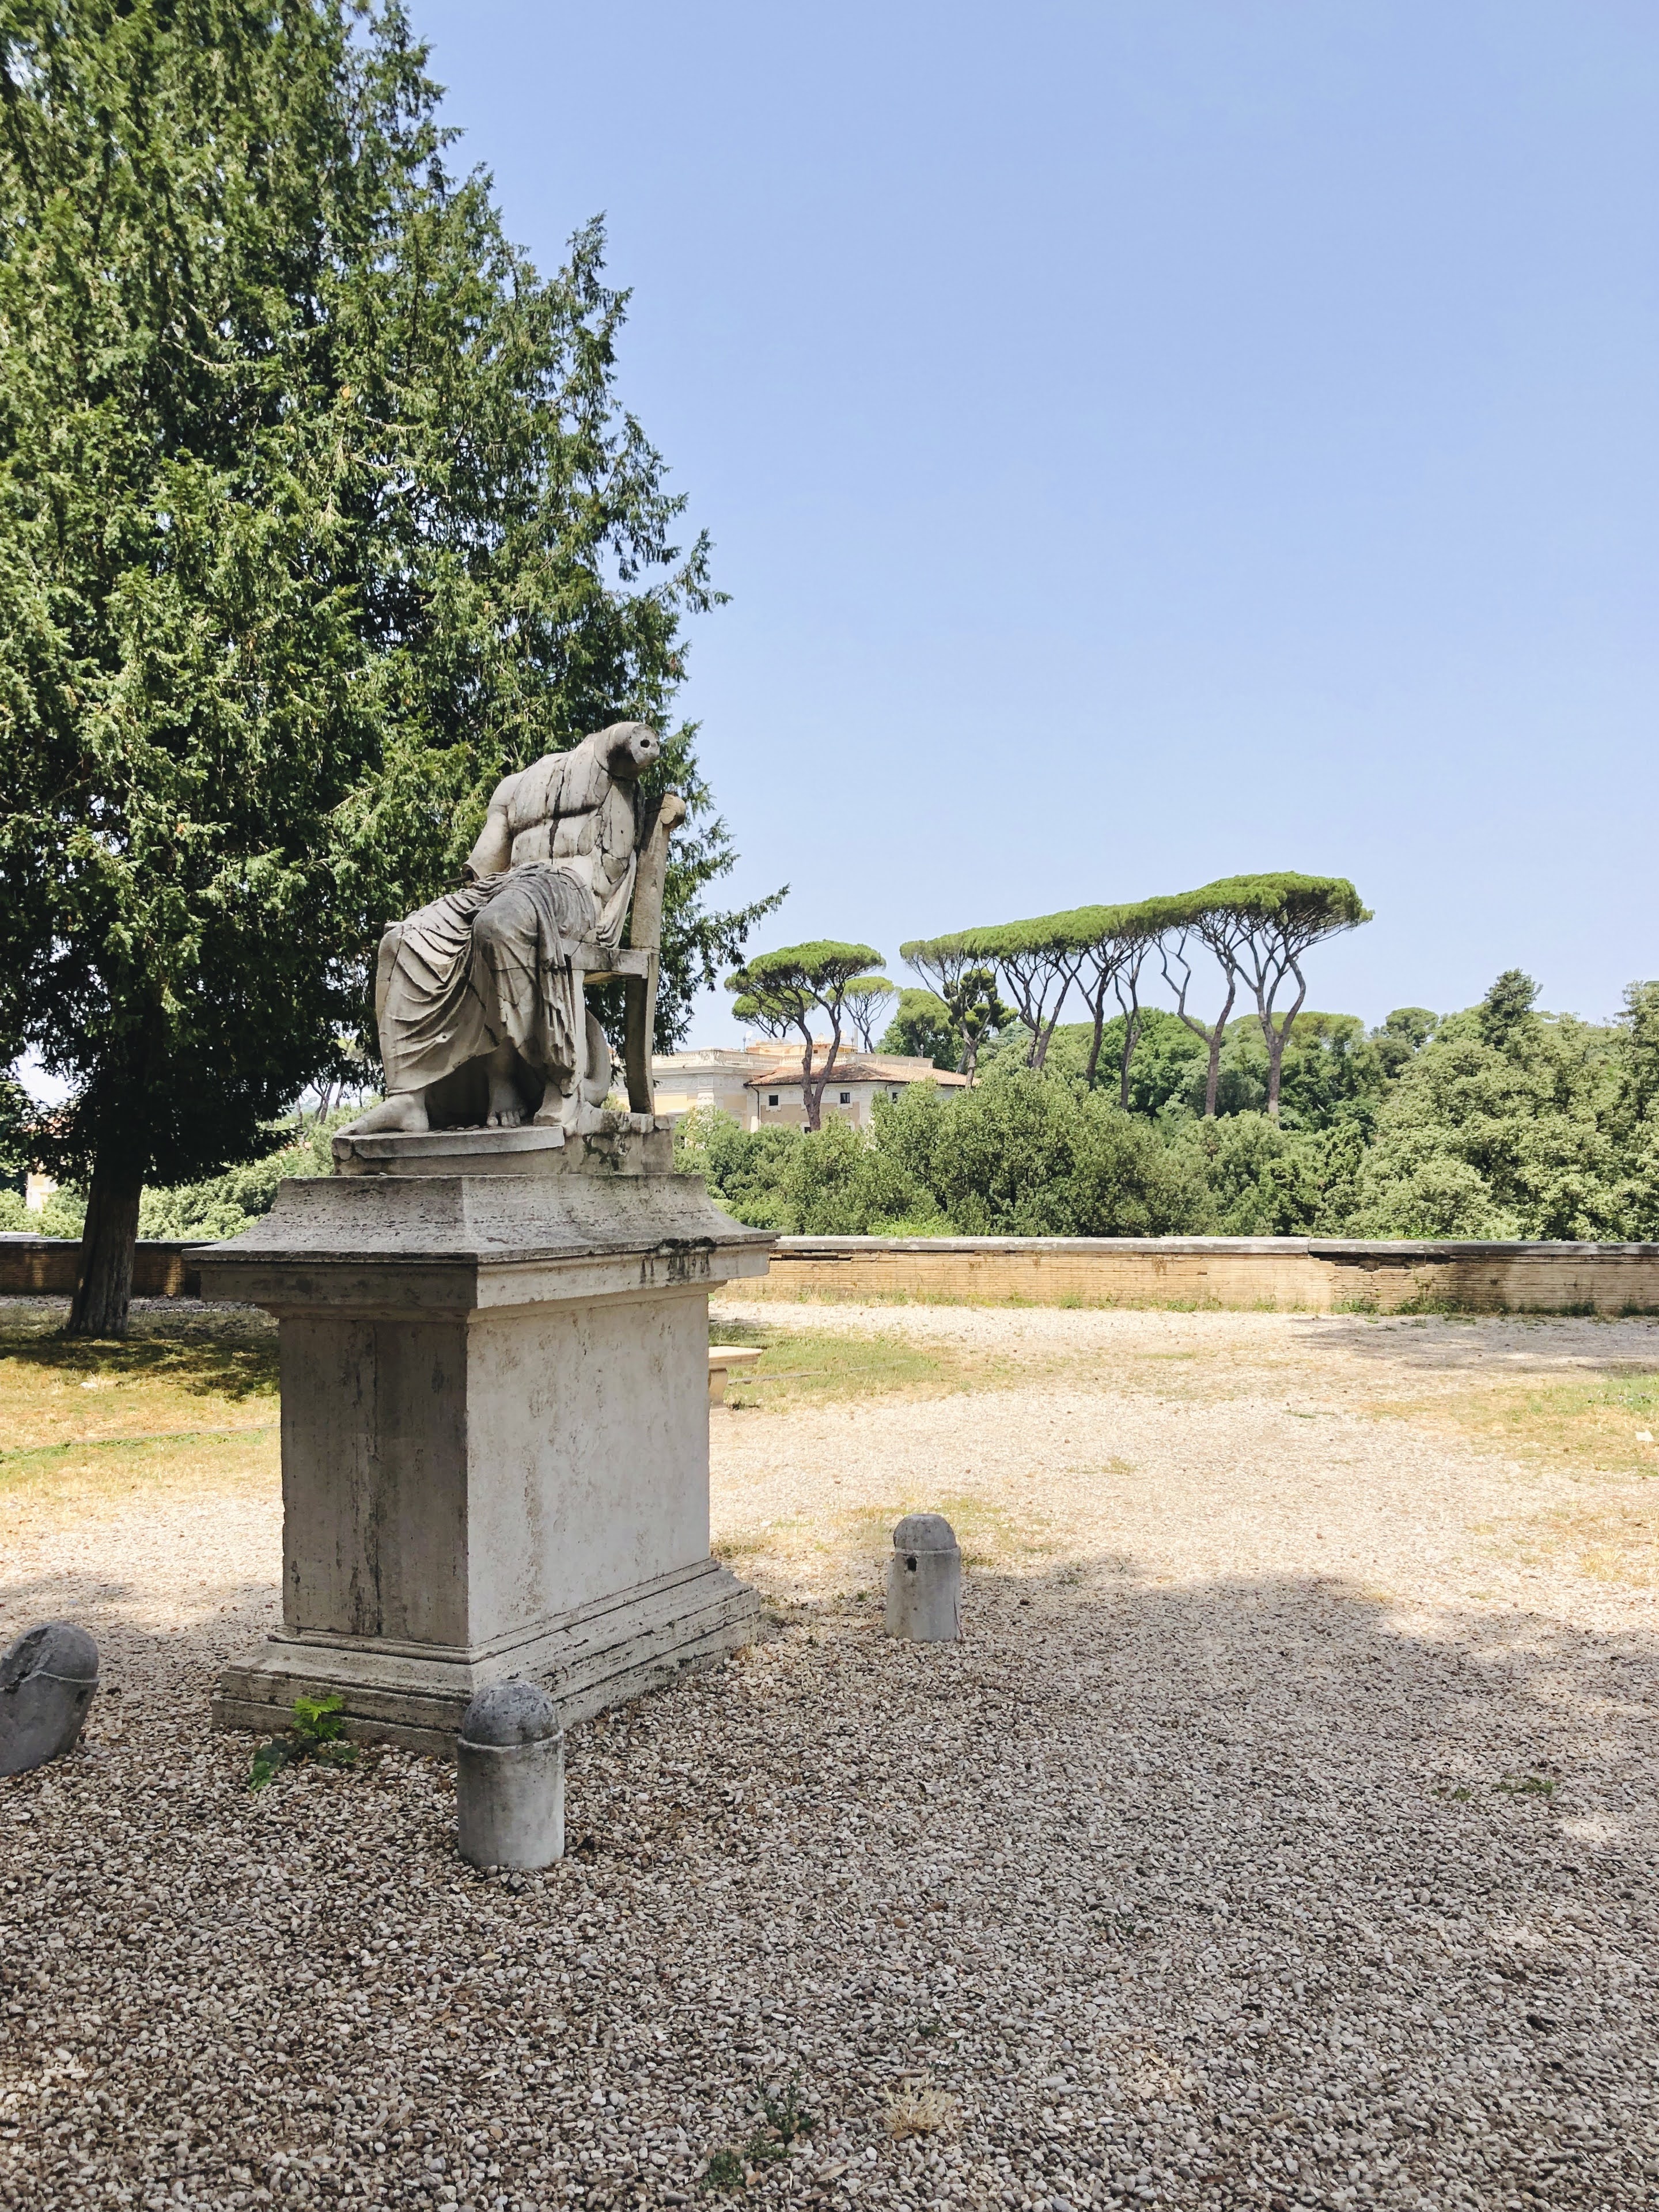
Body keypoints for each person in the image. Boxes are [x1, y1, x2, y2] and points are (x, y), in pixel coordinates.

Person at [341, 721, 661, 1139]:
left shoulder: (600, 760)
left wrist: (637, 741)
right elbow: (483, 867)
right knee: (401, 940)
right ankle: (409, 1097)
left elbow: (634, 741)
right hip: (510, 885)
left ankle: (531, 1080)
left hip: (576, 892)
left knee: (497, 925)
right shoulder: (512, 789)